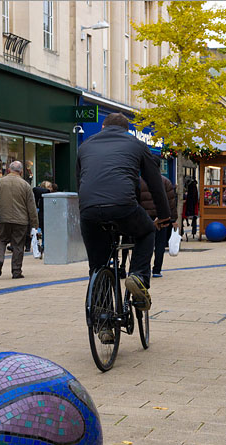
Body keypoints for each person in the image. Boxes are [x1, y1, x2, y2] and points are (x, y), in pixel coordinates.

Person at [76, 112, 171, 318]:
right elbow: (155, 183)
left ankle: (103, 322)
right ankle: (138, 276)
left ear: (103, 127)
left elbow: (80, 183)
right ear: (127, 130)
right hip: (123, 206)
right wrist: (164, 216)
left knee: (97, 265)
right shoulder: (136, 144)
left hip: (89, 211)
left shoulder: (84, 146)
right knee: (147, 232)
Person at [0, 161, 38, 280]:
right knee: (18, 245)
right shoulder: (25, 185)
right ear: (21, 171)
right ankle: (16, 271)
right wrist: (35, 223)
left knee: (0, 240)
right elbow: (31, 206)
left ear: (8, 170)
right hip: (21, 220)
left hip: (3, 218)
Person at [144, 174, 178, 278]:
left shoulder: (141, 180)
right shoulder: (166, 181)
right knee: (160, 244)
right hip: (161, 217)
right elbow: (171, 202)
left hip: (145, 217)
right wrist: (173, 219)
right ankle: (157, 270)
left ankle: (144, 269)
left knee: (145, 244)